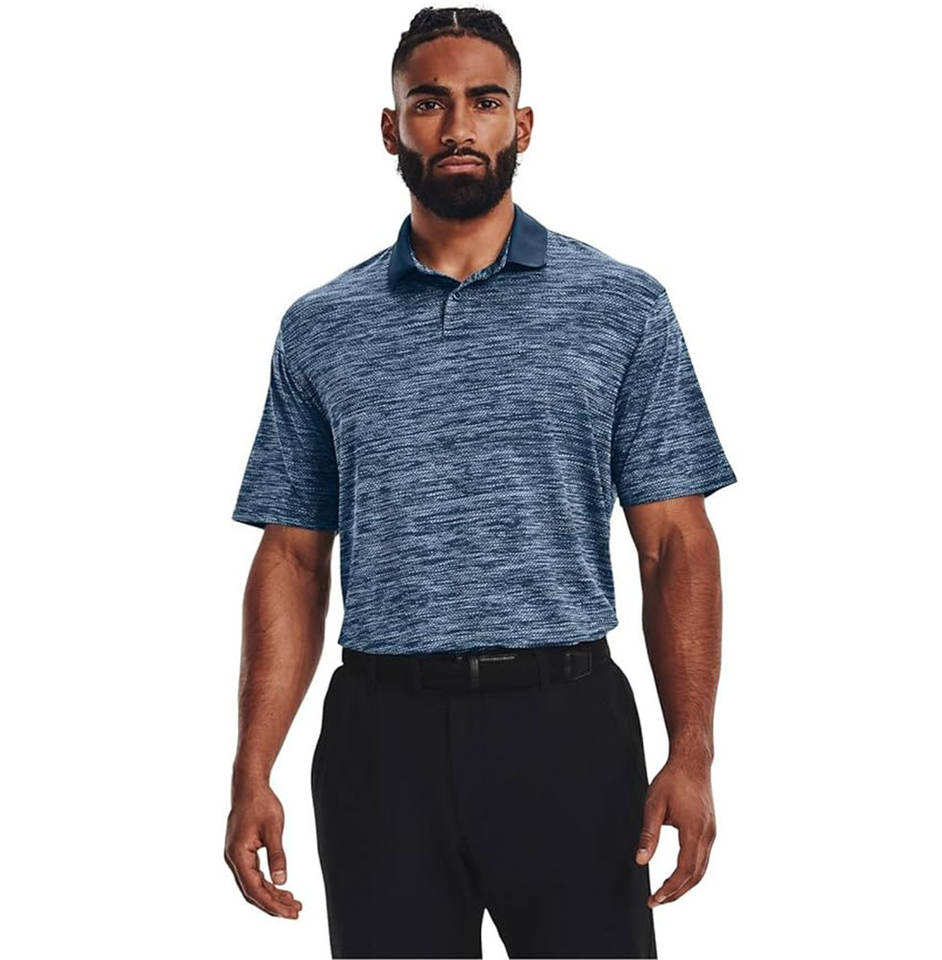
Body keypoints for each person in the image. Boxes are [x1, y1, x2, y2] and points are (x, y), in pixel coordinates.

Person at [223, 7, 736, 958]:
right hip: (381, 741)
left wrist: (692, 752)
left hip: (568, 727)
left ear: (521, 125)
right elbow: (291, 557)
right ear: (392, 129)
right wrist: (251, 769)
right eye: (429, 103)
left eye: (485, 101)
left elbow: (675, 542)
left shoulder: (621, 305)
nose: (458, 126)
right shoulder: (320, 326)